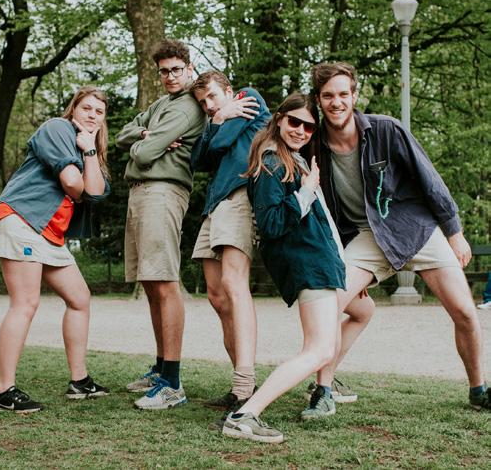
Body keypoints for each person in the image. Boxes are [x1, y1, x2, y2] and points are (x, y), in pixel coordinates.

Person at [309, 61, 490, 412]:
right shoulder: (315, 146)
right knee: (330, 304)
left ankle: (478, 390)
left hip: (416, 229)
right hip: (367, 237)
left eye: (343, 94)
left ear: (354, 95)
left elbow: (429, 179)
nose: (337, 102)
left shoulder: (386, 130)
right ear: (319, 100)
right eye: (328, 96)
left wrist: (454, 233)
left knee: (466, 312)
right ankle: (323, 391)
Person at [221, 93, 346, 444]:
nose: (301, 130)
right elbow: (272, 224)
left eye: (309, 126)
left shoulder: (295, 161)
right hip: (308, 262)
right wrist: (305, 193)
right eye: (295, 122)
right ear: (278, 119)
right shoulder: (272, 162)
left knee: (326, 342)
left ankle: (249, 413)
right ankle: (245, 414)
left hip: (322, 261)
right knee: (320, 349)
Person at [0, 86, 111, 413]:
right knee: (26, 302)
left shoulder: (88, 148)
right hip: (22, 219)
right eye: (86, 108)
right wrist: (83, 165)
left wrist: (89, 152)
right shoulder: (57, 128)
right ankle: (4, 391)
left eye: (98, 112)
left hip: (49, 233)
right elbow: (73, 184)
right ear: (74, 109)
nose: (91, 115)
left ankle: (79, 380)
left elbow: (95, 193)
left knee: (80, 299)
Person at [116, 39, 206, 410]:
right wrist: (144, 135)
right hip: (141, 192)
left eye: (176, 70)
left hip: (163, 192)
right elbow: (122, 136)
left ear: (189, 68)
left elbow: (146, 153)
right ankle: (159, 369)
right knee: (151, 282)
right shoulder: (161, 105)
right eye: (164, 71)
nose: (170, 76)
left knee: (165, 282)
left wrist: (146, 142)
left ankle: (173, 382)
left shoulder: (186, 106)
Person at [189, 70, 270, 412]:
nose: (208, 106)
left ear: (230, 90)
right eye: (203, 103)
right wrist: (218, 120)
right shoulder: (219, 117)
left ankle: (245, 385)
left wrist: (219, 124)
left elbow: (218, 146)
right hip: (215, 205)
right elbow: (198, 160)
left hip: (239, 197)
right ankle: (242, 382)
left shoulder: (249, 96)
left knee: (234, 286)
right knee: (217, 296)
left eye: (212, 97)